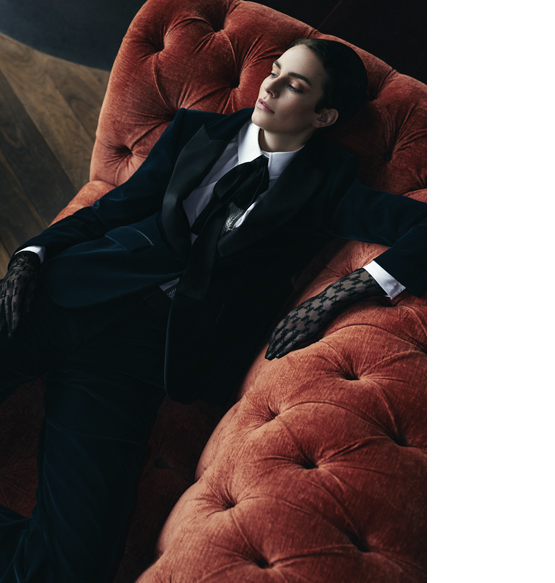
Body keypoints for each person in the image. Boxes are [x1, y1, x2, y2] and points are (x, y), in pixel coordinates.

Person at [0, 38, 426, 582]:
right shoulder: (195, 130)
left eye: (294, 84)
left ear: (324, 116)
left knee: (71, 566)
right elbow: (117, 209)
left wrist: (342, 293)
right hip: (64, 295)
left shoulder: (329, 185)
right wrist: (33, 254)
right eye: (274, 70)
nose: (269, 86)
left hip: (135, 363)